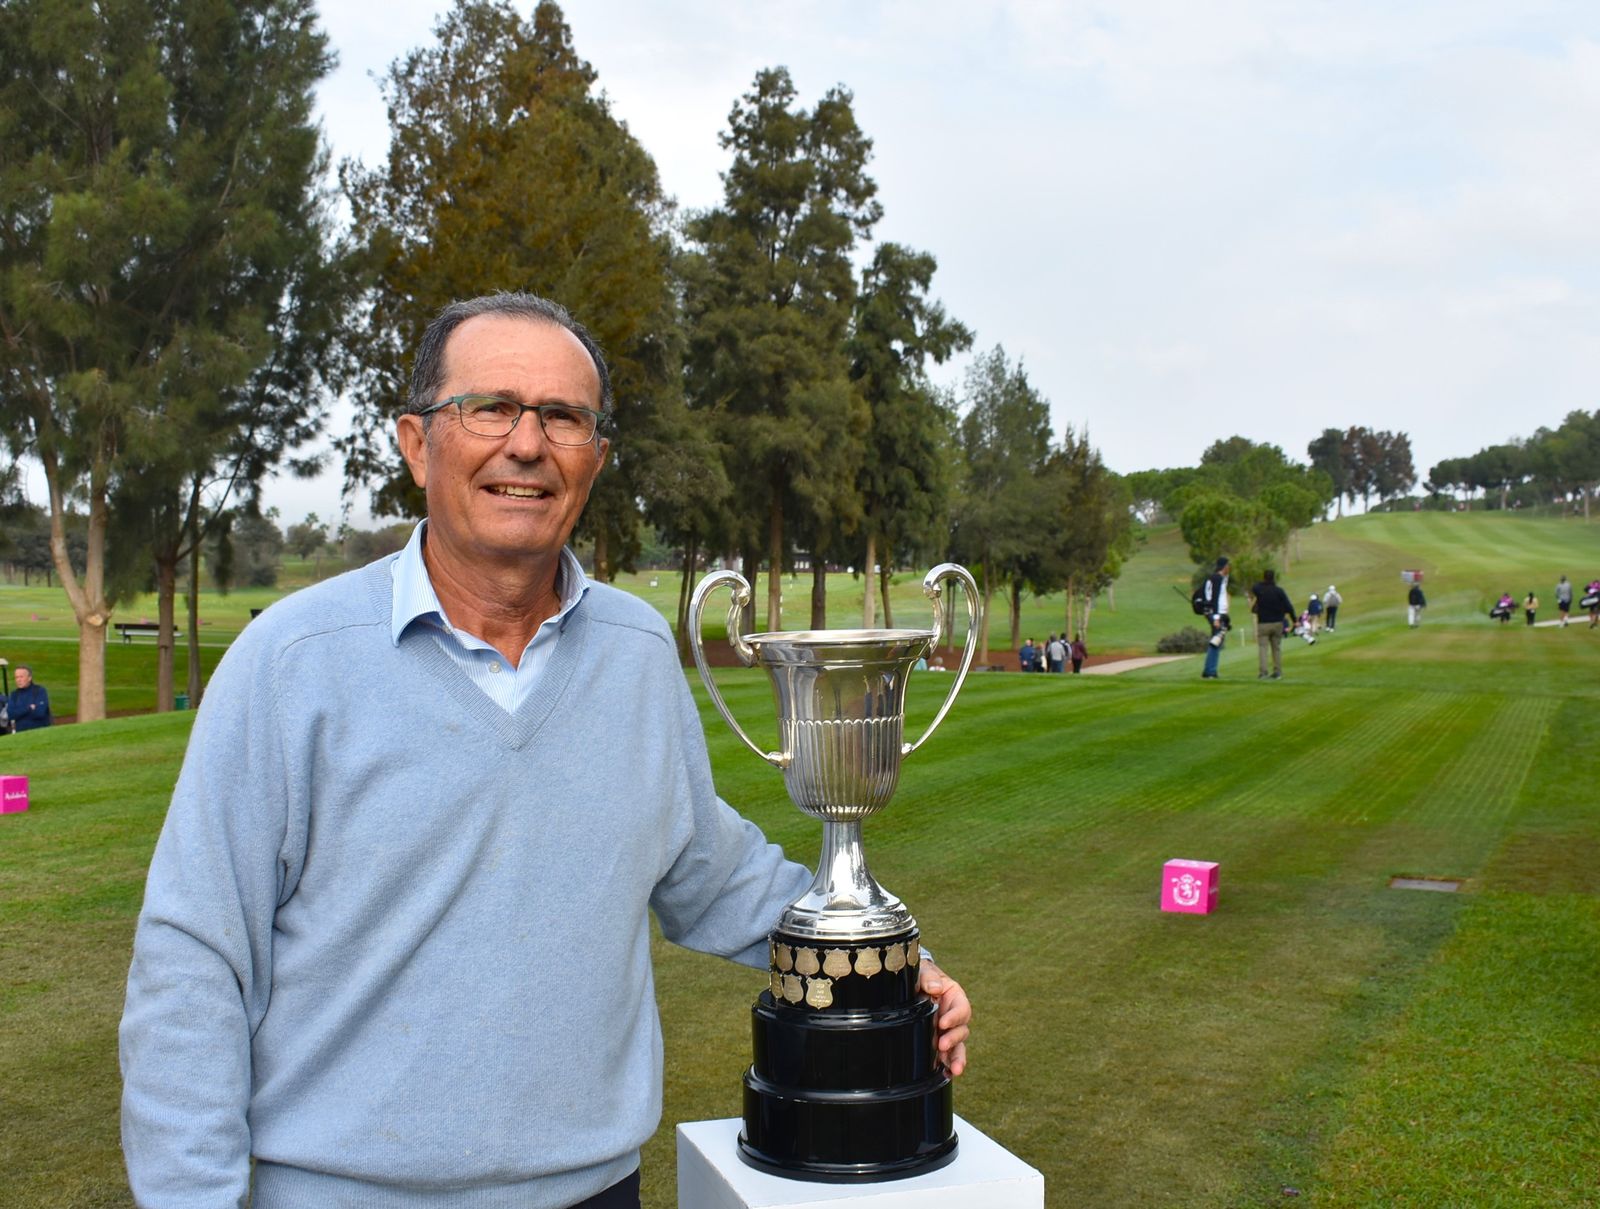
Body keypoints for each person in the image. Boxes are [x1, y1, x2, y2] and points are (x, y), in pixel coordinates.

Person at [118, 293, 971, 1208]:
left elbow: (704, 870)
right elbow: (195, 960)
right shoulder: (291, 663)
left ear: (594, 460)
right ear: (416, 442)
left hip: (594, 1191)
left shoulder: (637, 653)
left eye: (563, 416)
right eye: (488, 407)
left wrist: (882, 970)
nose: (526, 444)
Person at [1248, 570, 1296, 680]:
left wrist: (1263, 583)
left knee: (1263, 648)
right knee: (1276, 649)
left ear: (1264, 578)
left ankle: (1263, 672)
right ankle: (1277, 672)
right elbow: (1288, 606)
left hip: (1263, 623)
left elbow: (1254, 587)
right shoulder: (1279, 591)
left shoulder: (1260, 590)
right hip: (1278, 623)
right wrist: (1294, 620)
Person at [1200, 556, 1231, 679]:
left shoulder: (1213, 578)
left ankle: (1209, 669)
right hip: (1216, 614)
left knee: (1216, 641)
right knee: (1216, 642)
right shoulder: (1217, 579)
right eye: (1228, 566)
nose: (1229, 568)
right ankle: (1210, 671)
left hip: (1213, 613)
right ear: (1224, 566)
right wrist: (1216, 618)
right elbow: (1215, 598)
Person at [5, 665, 51, 732]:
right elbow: (11, 715)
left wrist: (19, 712)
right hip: (21, 734)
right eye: (16, 677)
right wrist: (29, 708)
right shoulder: (14, 695)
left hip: (39, 732)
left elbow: (40, 713)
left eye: (21, 677)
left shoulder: (39, 691)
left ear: (29, 678)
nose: (18, 680)